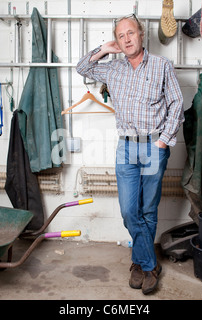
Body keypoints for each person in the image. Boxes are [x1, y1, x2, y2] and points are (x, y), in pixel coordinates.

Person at [76, 14, 184, 294]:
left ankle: (138, 264)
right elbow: (82, 67)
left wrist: (163, 142)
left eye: (131, 33)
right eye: (121, 35)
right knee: (128, 210)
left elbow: (176, 103)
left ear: (141, 35)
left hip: (153, 146)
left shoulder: (161, 66)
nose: (126, 39)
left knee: (148, 209)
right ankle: (150, 265)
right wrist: (103, 50)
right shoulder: (113, 69)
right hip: (126, 147)